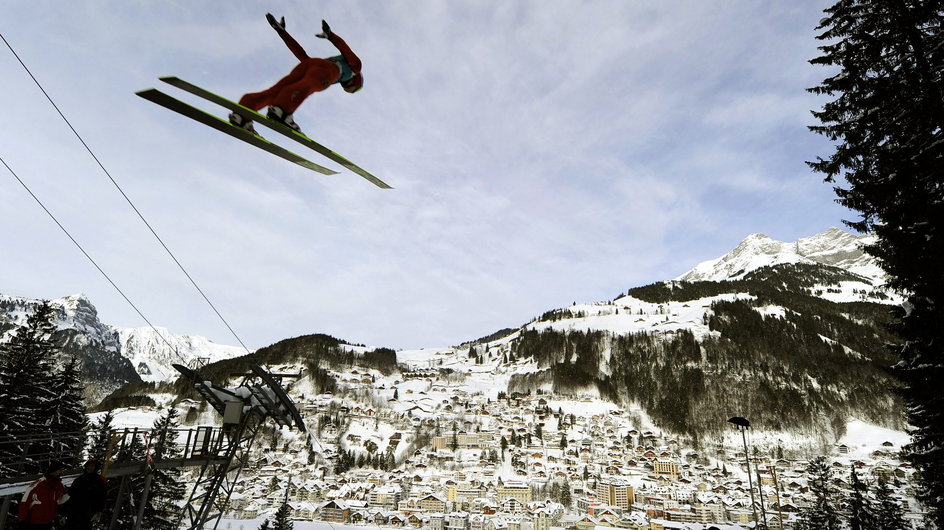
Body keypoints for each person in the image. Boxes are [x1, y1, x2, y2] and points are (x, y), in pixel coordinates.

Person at [230, 14, 363, 134]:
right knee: (308, 85)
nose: (347, 90)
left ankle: (243, 112)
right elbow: (345, 48)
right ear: (356, 83)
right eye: (353, 91)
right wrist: (331, 35)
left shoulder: (334, 74)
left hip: (310, 64)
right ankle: (283, 112)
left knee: (275, 92)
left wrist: (282, 32)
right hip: (327, 69)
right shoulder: (355, 68)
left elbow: (301, 54)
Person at [18, 461, 68, 530]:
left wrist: (69, 494)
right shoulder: (37, 484)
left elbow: (59, 501)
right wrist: (22, 520)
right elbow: (24, 502)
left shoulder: (59, 485)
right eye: (60, 470)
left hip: (48, 523)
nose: (61, 472)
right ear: (54, 470)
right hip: (33, 523)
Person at [62, 458, 107, 530]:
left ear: (96, 468)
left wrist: (99, 511)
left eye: (92, 466)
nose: (90, 467)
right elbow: (70, 496)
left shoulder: (100, 481)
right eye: (88, 466)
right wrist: (63, 513)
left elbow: (102, 497)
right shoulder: (78, 480)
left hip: (88, 514)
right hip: (73, 512)